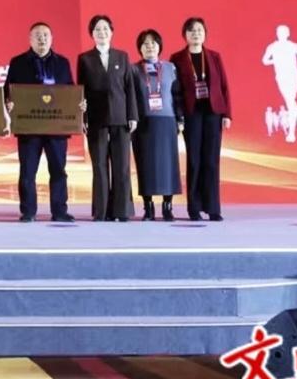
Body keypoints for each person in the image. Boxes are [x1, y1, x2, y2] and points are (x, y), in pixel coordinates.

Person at [5, 22, 75, 223]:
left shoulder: (62, 63)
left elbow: (71, 91)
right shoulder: (18, 62)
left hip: (56, 127)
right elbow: (7, 90)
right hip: (29, 127)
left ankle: (59, 211)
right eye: (37, 35)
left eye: (45, 35)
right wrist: (9, 102)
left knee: (59, 170)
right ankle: (28, 211)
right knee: (27, 171)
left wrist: (78, 104)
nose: (42, 39)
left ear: (51, 38)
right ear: (30, 39)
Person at [78, 14, 143, 223]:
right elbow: (80, 92)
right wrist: (82, 118)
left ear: (112, 32)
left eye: (105, 29)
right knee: (99, 165)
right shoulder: (85, 59)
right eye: (97, 29)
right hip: (96, 119)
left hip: (120, 117)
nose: (102, 32)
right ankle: (102, 211)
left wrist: (132, 115)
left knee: (122, 166)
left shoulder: (122, 57)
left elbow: (129, 88)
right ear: (92, 34)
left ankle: (122, 211)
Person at [172, 17, 232, 222]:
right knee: (194, 160)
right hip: (192, 114)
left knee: (211, 160)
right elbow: (176, 91)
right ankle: (194, 208)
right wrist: (179, 115)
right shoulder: (177, 58)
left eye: (199, 30)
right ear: (185, 35)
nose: (195, 34)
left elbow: (224, 86)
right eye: (191, 31)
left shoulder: (214, 57)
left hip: (213, 114)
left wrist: (227, 114)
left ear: (205, 34)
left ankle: (213, 208)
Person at [131, 28, 180, 221]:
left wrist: (180, 119)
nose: (149, 47)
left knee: (168, 165)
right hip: (143, 122)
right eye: (145, 44)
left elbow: (177, 95)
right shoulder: (133, 70)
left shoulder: (170, 68)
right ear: (140, 48)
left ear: (159, 46)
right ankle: (148, 207)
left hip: (167, 120)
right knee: (145, 165)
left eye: (153, 43)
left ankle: (167, 206)